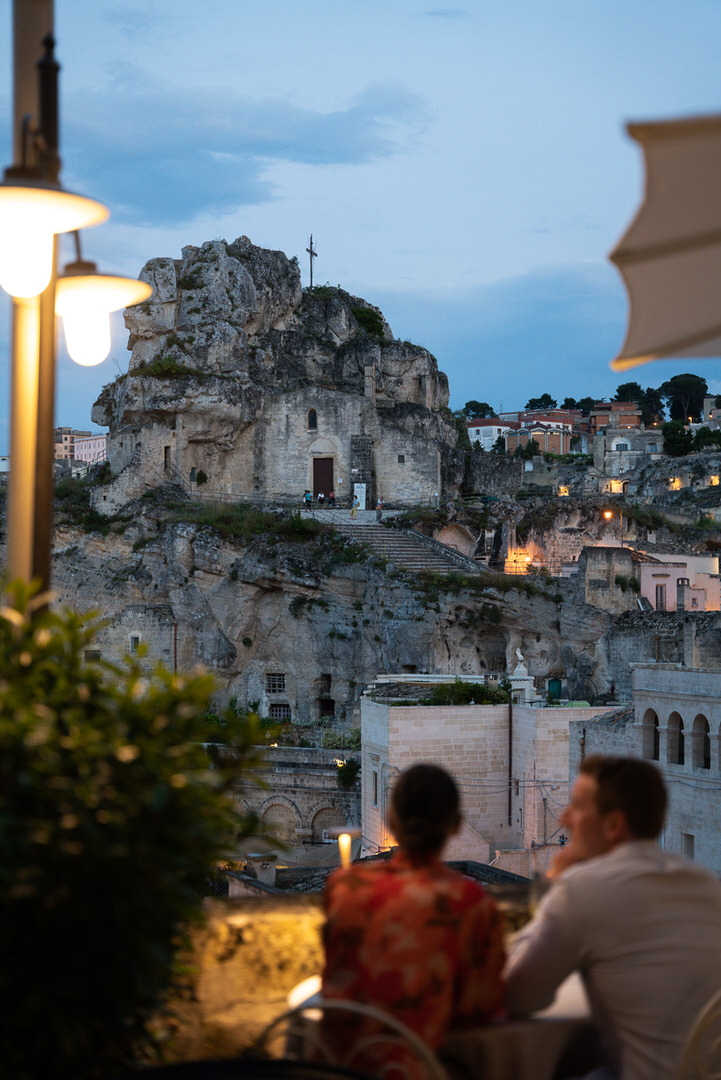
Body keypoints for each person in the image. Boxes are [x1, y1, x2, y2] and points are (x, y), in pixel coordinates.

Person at [505, 755, 721, 1080]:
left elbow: (520, 996)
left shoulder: (583, 888)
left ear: (614, 825)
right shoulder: (706, 884)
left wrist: (556, 883)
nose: (564, 818)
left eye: (577, 806)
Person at [322, 764, 505, 1065]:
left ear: (391, 820)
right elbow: (481, 1007)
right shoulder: (471, 904)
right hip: (411, 1069)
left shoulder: (344, 887)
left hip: (333, 1067)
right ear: (457, 824)